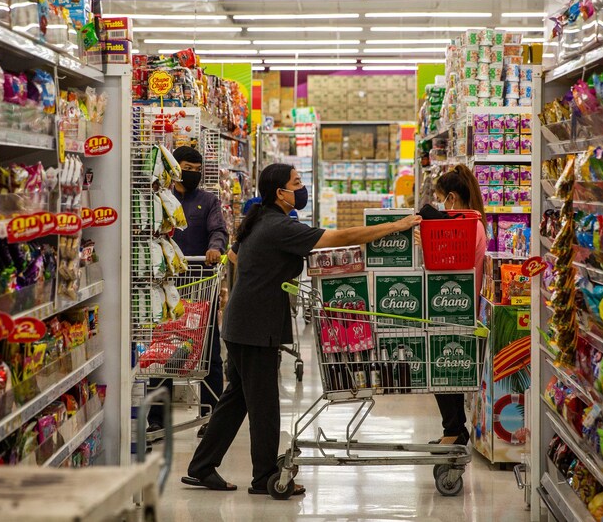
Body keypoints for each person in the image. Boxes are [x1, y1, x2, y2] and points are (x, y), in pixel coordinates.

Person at [181, 163, 421, 495]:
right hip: (254, 327)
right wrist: (395, 226)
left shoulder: (261, 220)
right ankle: (264, 477)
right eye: (296, 183)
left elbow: (235, 257)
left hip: (242, 321)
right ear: (280, 192)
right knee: (263, 404)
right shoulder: (278, 227)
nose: (301, 187)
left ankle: (201, 467)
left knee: (236, 398)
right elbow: (340, 237)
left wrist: (270, 275)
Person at [147, 146, 228, 439]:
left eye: (197, 168)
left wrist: (215, 248)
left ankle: (211, 415)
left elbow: (218, 230)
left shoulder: (208, 201)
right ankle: (157, 418)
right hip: (166, 287)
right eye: (187, 167)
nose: (193, 173)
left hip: (200, 286)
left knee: (209, 352)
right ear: (174, 169)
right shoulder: (159, 200)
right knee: (163, 351)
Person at [418, 165, 487, 447]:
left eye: (440, 198)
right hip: (456, 302)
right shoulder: (471, 221)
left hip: (457, 304)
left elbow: (451, 260)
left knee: (443, 369)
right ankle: (455, 429)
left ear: (452, 197)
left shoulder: (470, 225)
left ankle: (453, 430)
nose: (438, 204)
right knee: (448, 368)